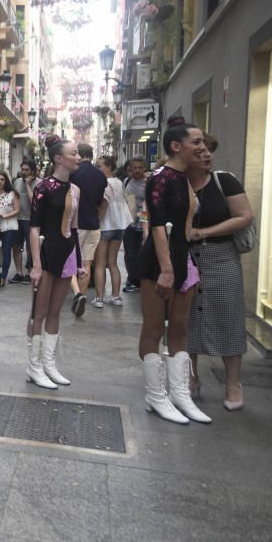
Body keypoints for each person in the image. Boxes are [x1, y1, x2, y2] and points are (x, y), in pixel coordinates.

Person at [137, 124, 209, 424]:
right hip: (159, 262)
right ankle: (155, 395)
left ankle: (179, 393)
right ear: (177, 146)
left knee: (180, 327)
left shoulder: (184, 179)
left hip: (183, 260)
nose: (202, 147)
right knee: (154, 328)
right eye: (196, 142)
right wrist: (166, 269)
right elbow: (156, 225)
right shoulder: (160, 179)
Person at [186, 134, 253, 411]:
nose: (205, 155)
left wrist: (204, 232)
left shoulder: (223, 181)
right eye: (199, 150)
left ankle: (232, 383)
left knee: (228, 317)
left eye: (208, 150)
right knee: (186, 319)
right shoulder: (178, 184)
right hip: (187, 257)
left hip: (221, 256)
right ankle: (189, 378)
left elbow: (244, 216)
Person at [28, 135, 85, 390]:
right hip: (46, 252)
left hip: (67, 253)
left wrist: (80, 261)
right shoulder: (43, 187)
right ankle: (34, 365)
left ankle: (49, 364)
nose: (79, 157)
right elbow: (33, 228)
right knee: (38, 313)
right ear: (59, 158)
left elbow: (74, 228)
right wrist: (36, 265)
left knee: (55, 311)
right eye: (74, 153)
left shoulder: (75, 190)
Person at [68, 144, 107, 316]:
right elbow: (100, 201)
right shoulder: (100, 175)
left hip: (76, 224)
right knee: (86, 263)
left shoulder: (74, 173)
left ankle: (76, 294)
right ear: (91, 155)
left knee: (69, 261)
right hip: (93, 224)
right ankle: (82, 295)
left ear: (79, 154)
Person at [92, 155, 133, 308]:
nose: (97, 169)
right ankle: (116, 296)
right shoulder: (119, 182)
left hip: (106, 225)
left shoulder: (103, 183)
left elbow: (103, 205)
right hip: (120, 225)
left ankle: (99, 298)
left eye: (99, 166)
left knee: (100, 264)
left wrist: (96, 222)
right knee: (113, 263)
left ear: (108, 167)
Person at [122, 155, 148, 293]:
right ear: (130, 168)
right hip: (129, 224)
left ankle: (141, 280)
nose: (137, 170)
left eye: (140, 167)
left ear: (145, 168)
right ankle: (132, 279)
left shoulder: (150, 182)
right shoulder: (126, 181)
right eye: (134, 167)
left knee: (142, 253)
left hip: (145, 224)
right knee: (130, 253)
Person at [11, 159, 40, 284]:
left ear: (33, 171)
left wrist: (28, 185)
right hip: (17, 219)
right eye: (22, 169)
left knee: (30, 246)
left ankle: (30, 271)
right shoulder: (17, 182)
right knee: (16, 246)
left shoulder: (39, 183)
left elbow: (34, 201)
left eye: (27, 170)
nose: (23, 172)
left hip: (30, 219)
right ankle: (19, 273)